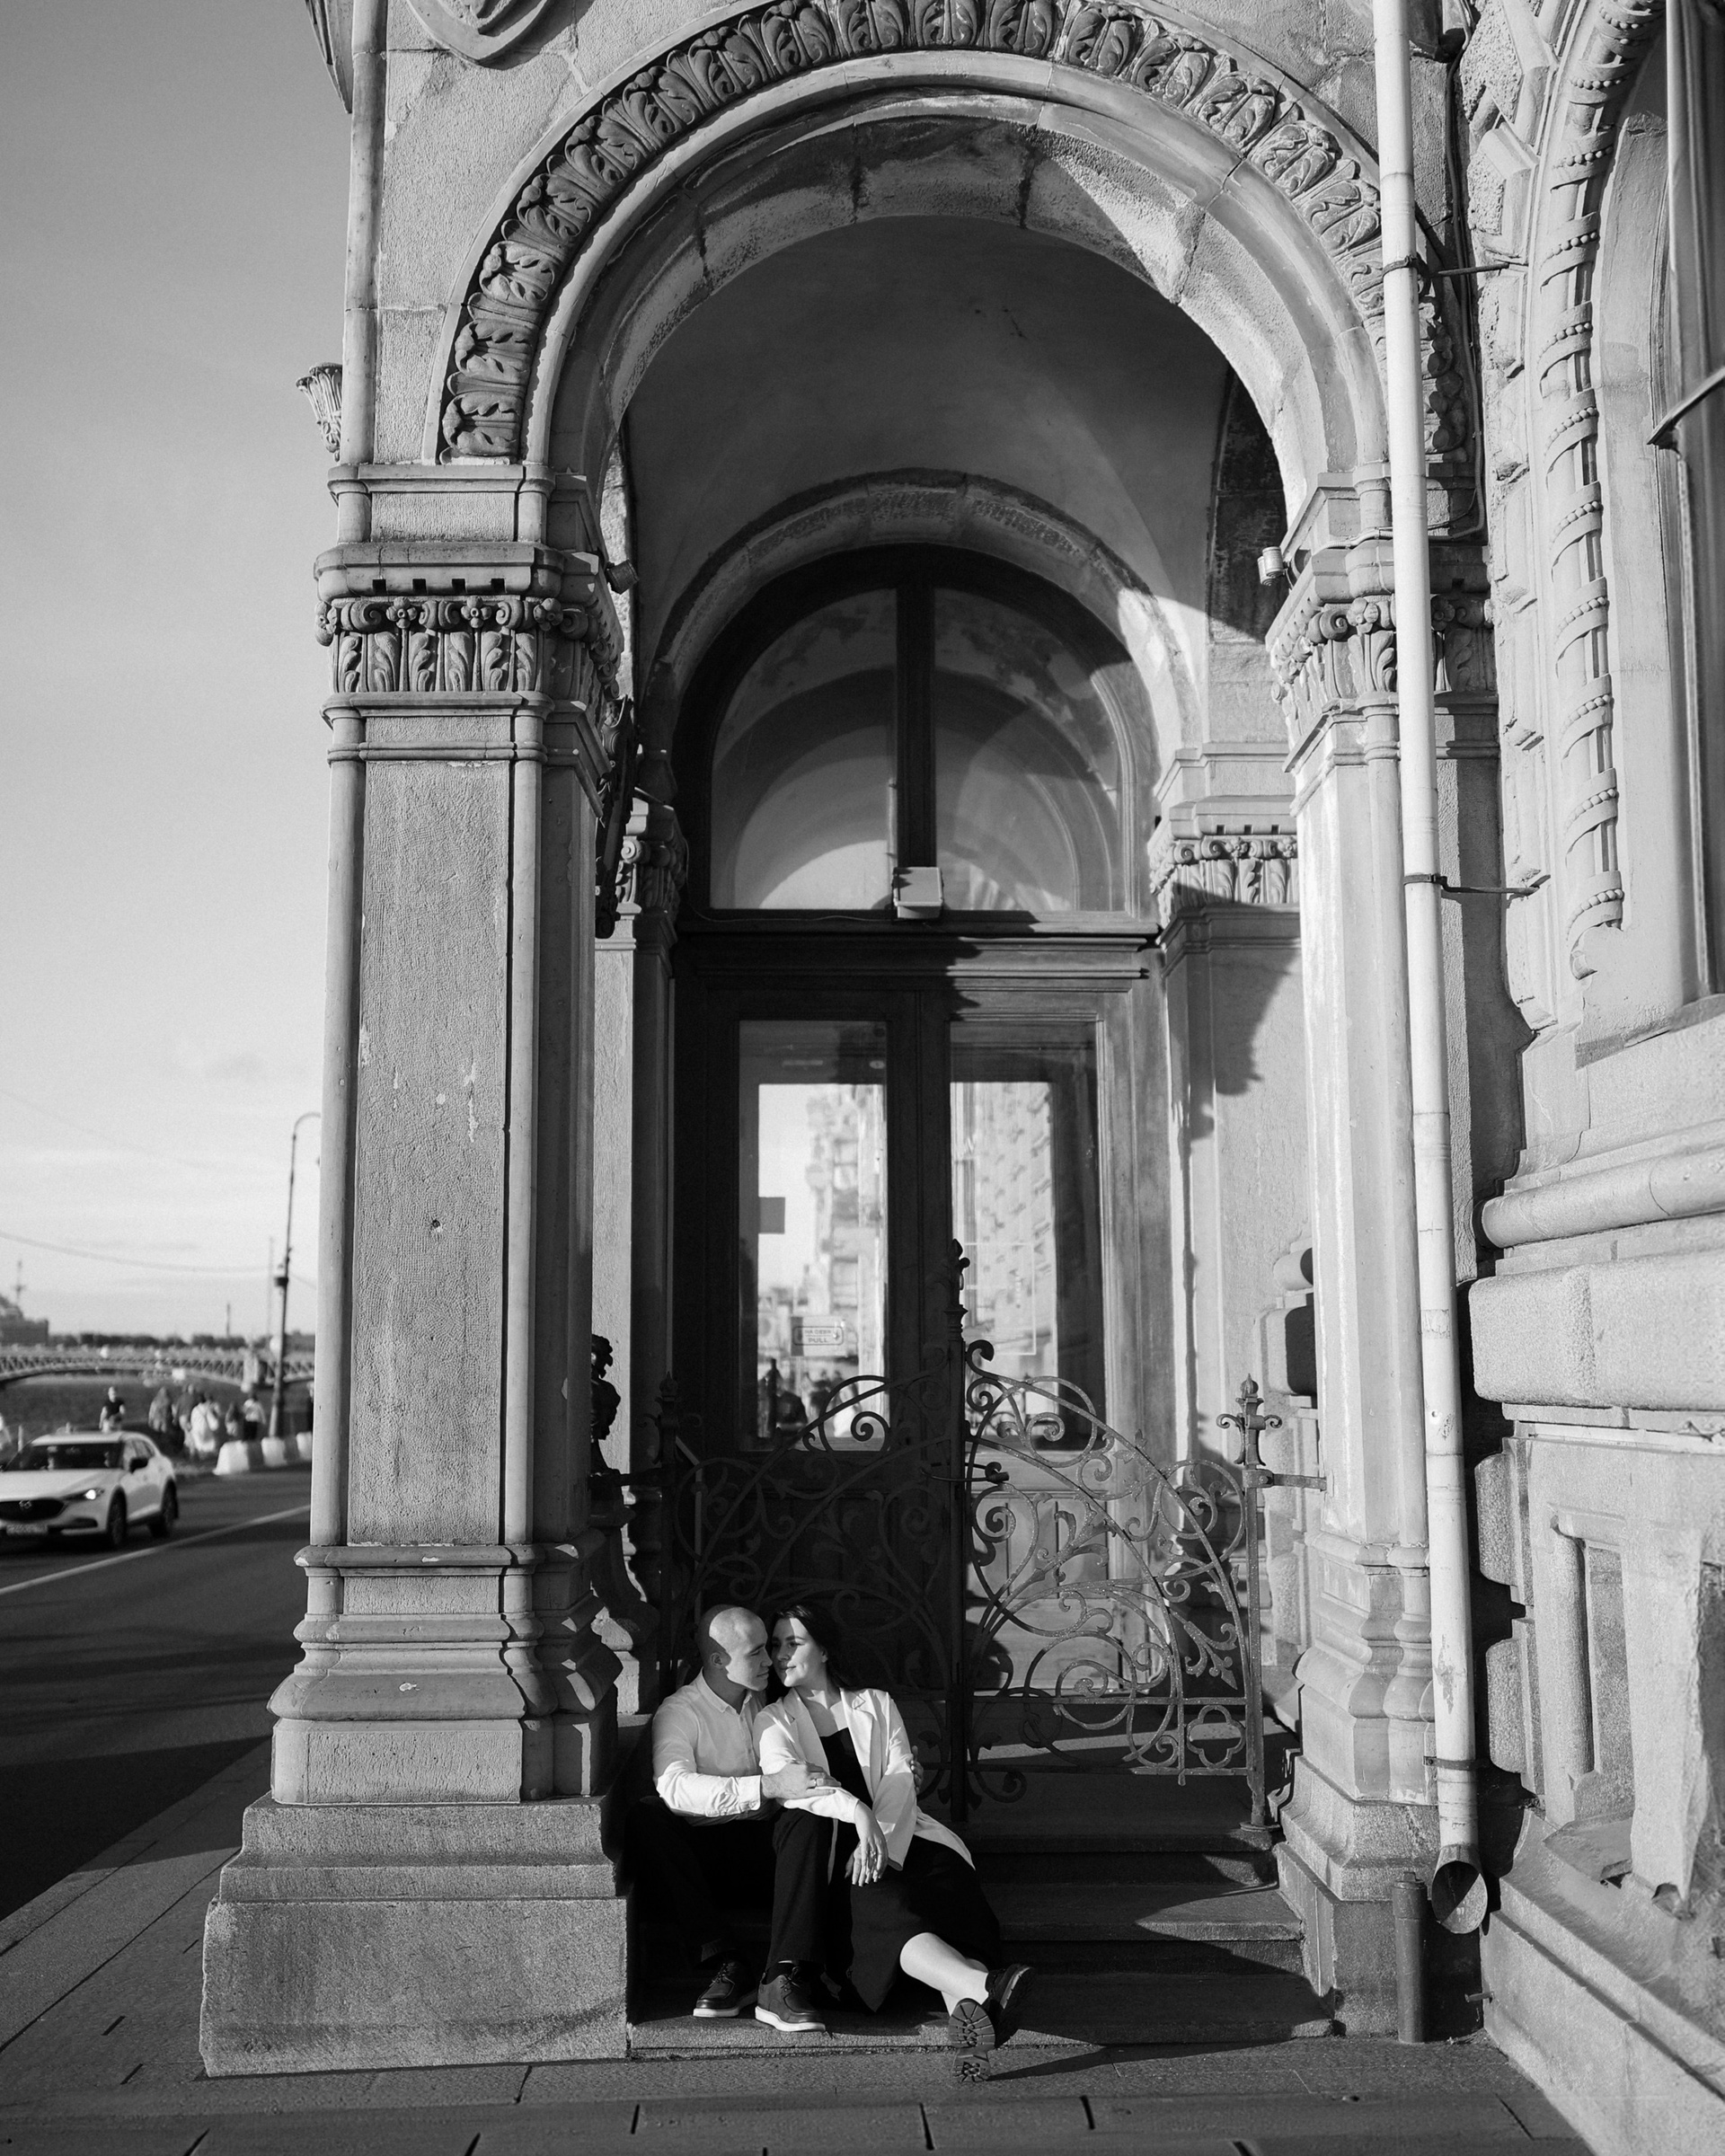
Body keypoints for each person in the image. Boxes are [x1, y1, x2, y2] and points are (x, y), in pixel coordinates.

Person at [759, 1602, 1032, 2076]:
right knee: (887, 1906)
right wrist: (859, 1817)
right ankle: (985, 1991)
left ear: (824, 1649)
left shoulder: (876, 1703)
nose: (781, 1654)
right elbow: (798, 1787)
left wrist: (882, 1842)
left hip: (907, 1837)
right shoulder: (773, 1720)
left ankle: (973, 2041)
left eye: (794, 1642)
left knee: (949, 1904)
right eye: (776, 1644)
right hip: (840, 1855)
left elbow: (900, 1778)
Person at [631, 1604, 839, 2034]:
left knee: (808, 1819)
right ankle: (727, 1962)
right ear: (718, 1660)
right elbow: (675, 1788)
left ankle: (782, 1976)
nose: (770, 1660)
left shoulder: (770, 1697)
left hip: (771, 1858)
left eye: (770, 1648)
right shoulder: (680, 1711)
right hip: (705, 1863)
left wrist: (894, 1768)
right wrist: (767, 1786)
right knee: (646, 1817)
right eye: (757, 1651)